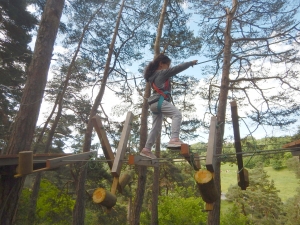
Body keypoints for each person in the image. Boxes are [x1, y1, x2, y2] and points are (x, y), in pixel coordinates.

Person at [140, 54, 198, 159]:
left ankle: (146, 149)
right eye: (168, 65)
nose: (169, 68)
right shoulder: (161, 72)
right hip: (160, 101)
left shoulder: (152, 76)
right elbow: (178, 68)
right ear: (161, 64)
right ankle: (174, 139)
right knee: (177, 114)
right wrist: (190, 63)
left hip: (153, 104)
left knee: (156, 128)